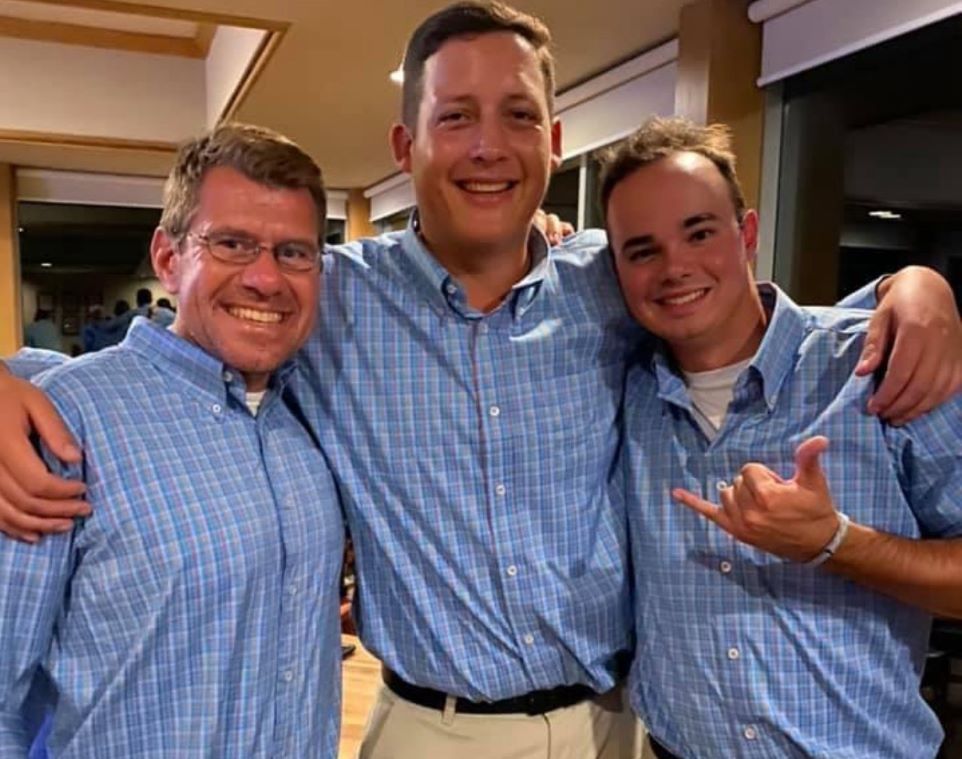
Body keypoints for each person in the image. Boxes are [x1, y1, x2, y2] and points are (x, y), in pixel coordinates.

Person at [1, 3, 961, 758]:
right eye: (454, 116)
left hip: (616, 724)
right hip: (431, 729)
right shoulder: (326, 297)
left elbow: (746, 309)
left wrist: (917, 285)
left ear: (553, 140)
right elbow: (180, 357)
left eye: (517, 117)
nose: (487, 145)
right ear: (404, 146)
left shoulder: (613, 281)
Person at [601, 117, 962, 759]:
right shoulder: (620, 389)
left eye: (699, 232)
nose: (675, 267)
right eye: (642, 249)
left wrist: (836, 543)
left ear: (746, 234)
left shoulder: (881, 364)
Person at [0, 124, 345, 757]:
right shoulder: (62, 421)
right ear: (168, 257)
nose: (266, 280)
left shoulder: (311, 410)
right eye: (233, 244)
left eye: (293, 253)